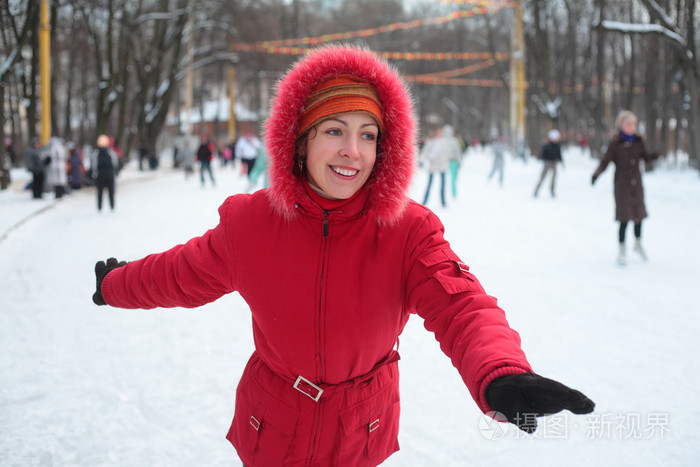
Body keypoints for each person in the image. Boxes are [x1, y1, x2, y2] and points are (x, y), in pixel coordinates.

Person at [91, 45, 594, 466]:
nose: (353, 150)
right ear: (301, 142)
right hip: (272, 426)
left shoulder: (408, 231)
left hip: (360, 430)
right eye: (334, 130)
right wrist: (115, 285)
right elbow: (179, 274)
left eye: (368, 135)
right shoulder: (251, 225)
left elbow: (462, 306)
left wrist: (501, 372)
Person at [591, 110, 658, 265]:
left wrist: (655, 155)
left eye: (634, 124)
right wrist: (596, 174)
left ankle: (638, 243)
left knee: (639, 215)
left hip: (637, 185)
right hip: (622, 185)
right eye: (629, 124)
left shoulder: (639, 141)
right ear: (622, 125)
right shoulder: (616, 144)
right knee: (624, 218)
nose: (632, 127)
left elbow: (647, 157)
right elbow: (605, 161)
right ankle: (622, 249)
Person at [420, 125, 461, 207]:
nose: (439, 134)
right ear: (435, 133)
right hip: (433, 165)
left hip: (442, 165)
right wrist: (422, 160)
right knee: (429, 184)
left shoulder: (445, 142)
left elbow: (451, 152)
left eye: (440, 132)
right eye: (438, 132)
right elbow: (425, 151)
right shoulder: (431, 142)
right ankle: (424, 200)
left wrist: (456, 159)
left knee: (443, 184)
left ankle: (443, 201)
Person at [90, 134, 119, 211]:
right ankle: (112, 206)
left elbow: (93, 165)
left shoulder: (96, 153)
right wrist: (115, 173)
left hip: (100, 175)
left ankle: (100, 207)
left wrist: (94, 175)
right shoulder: (111, 152)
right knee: (110, 191)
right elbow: (115, 163)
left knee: (100, 192)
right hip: (109, 175)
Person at [533, 129, 563, 198]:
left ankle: (552, 191)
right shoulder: (547, 145)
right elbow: (543, 154)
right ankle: (536, 190)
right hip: (547, 163)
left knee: (554, 178)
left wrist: (561, 161)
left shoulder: (558, 145)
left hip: (554, 163)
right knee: (542, 178)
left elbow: (559, 154)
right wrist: (545, 161)